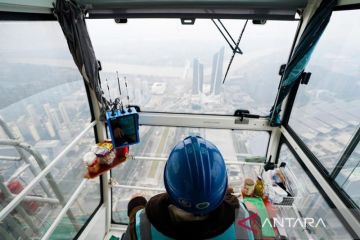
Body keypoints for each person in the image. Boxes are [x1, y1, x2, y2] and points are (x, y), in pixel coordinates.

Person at [121, 136, 262, 240]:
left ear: (168, 182)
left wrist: (136, 206)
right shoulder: (244, 220)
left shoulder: (141, 225)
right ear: (222, 187)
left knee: (136, 200)